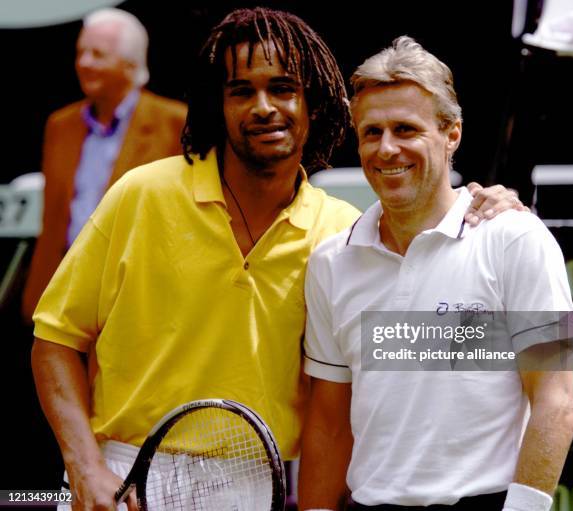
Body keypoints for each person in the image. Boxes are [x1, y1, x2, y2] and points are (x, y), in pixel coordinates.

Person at [30, 9, 524, 510]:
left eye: (283, 88)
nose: (264, 107)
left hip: (254, 483)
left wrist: (486, 203)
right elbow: (53, 340)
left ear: (314, 104)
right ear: (216, 105)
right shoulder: (142, 194)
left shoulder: (342, 235)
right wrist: (85, 466)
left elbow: (379, 382)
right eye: (241, 91)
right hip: (121, 477)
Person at [299, 37, 573, 510]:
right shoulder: (331, 263)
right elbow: (329, 423)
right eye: (372, 132)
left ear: (452, 134)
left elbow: (557, 402)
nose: (387, 149)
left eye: (406, 129)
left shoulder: (515, 240)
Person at [22, 8, 187, 321]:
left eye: (98, 54)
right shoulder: (60, 125)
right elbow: (53, 221)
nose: (84, 63)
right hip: (61, 300)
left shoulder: (175, 123)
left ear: (131, 64)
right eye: (81, 52)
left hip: (139, 300)